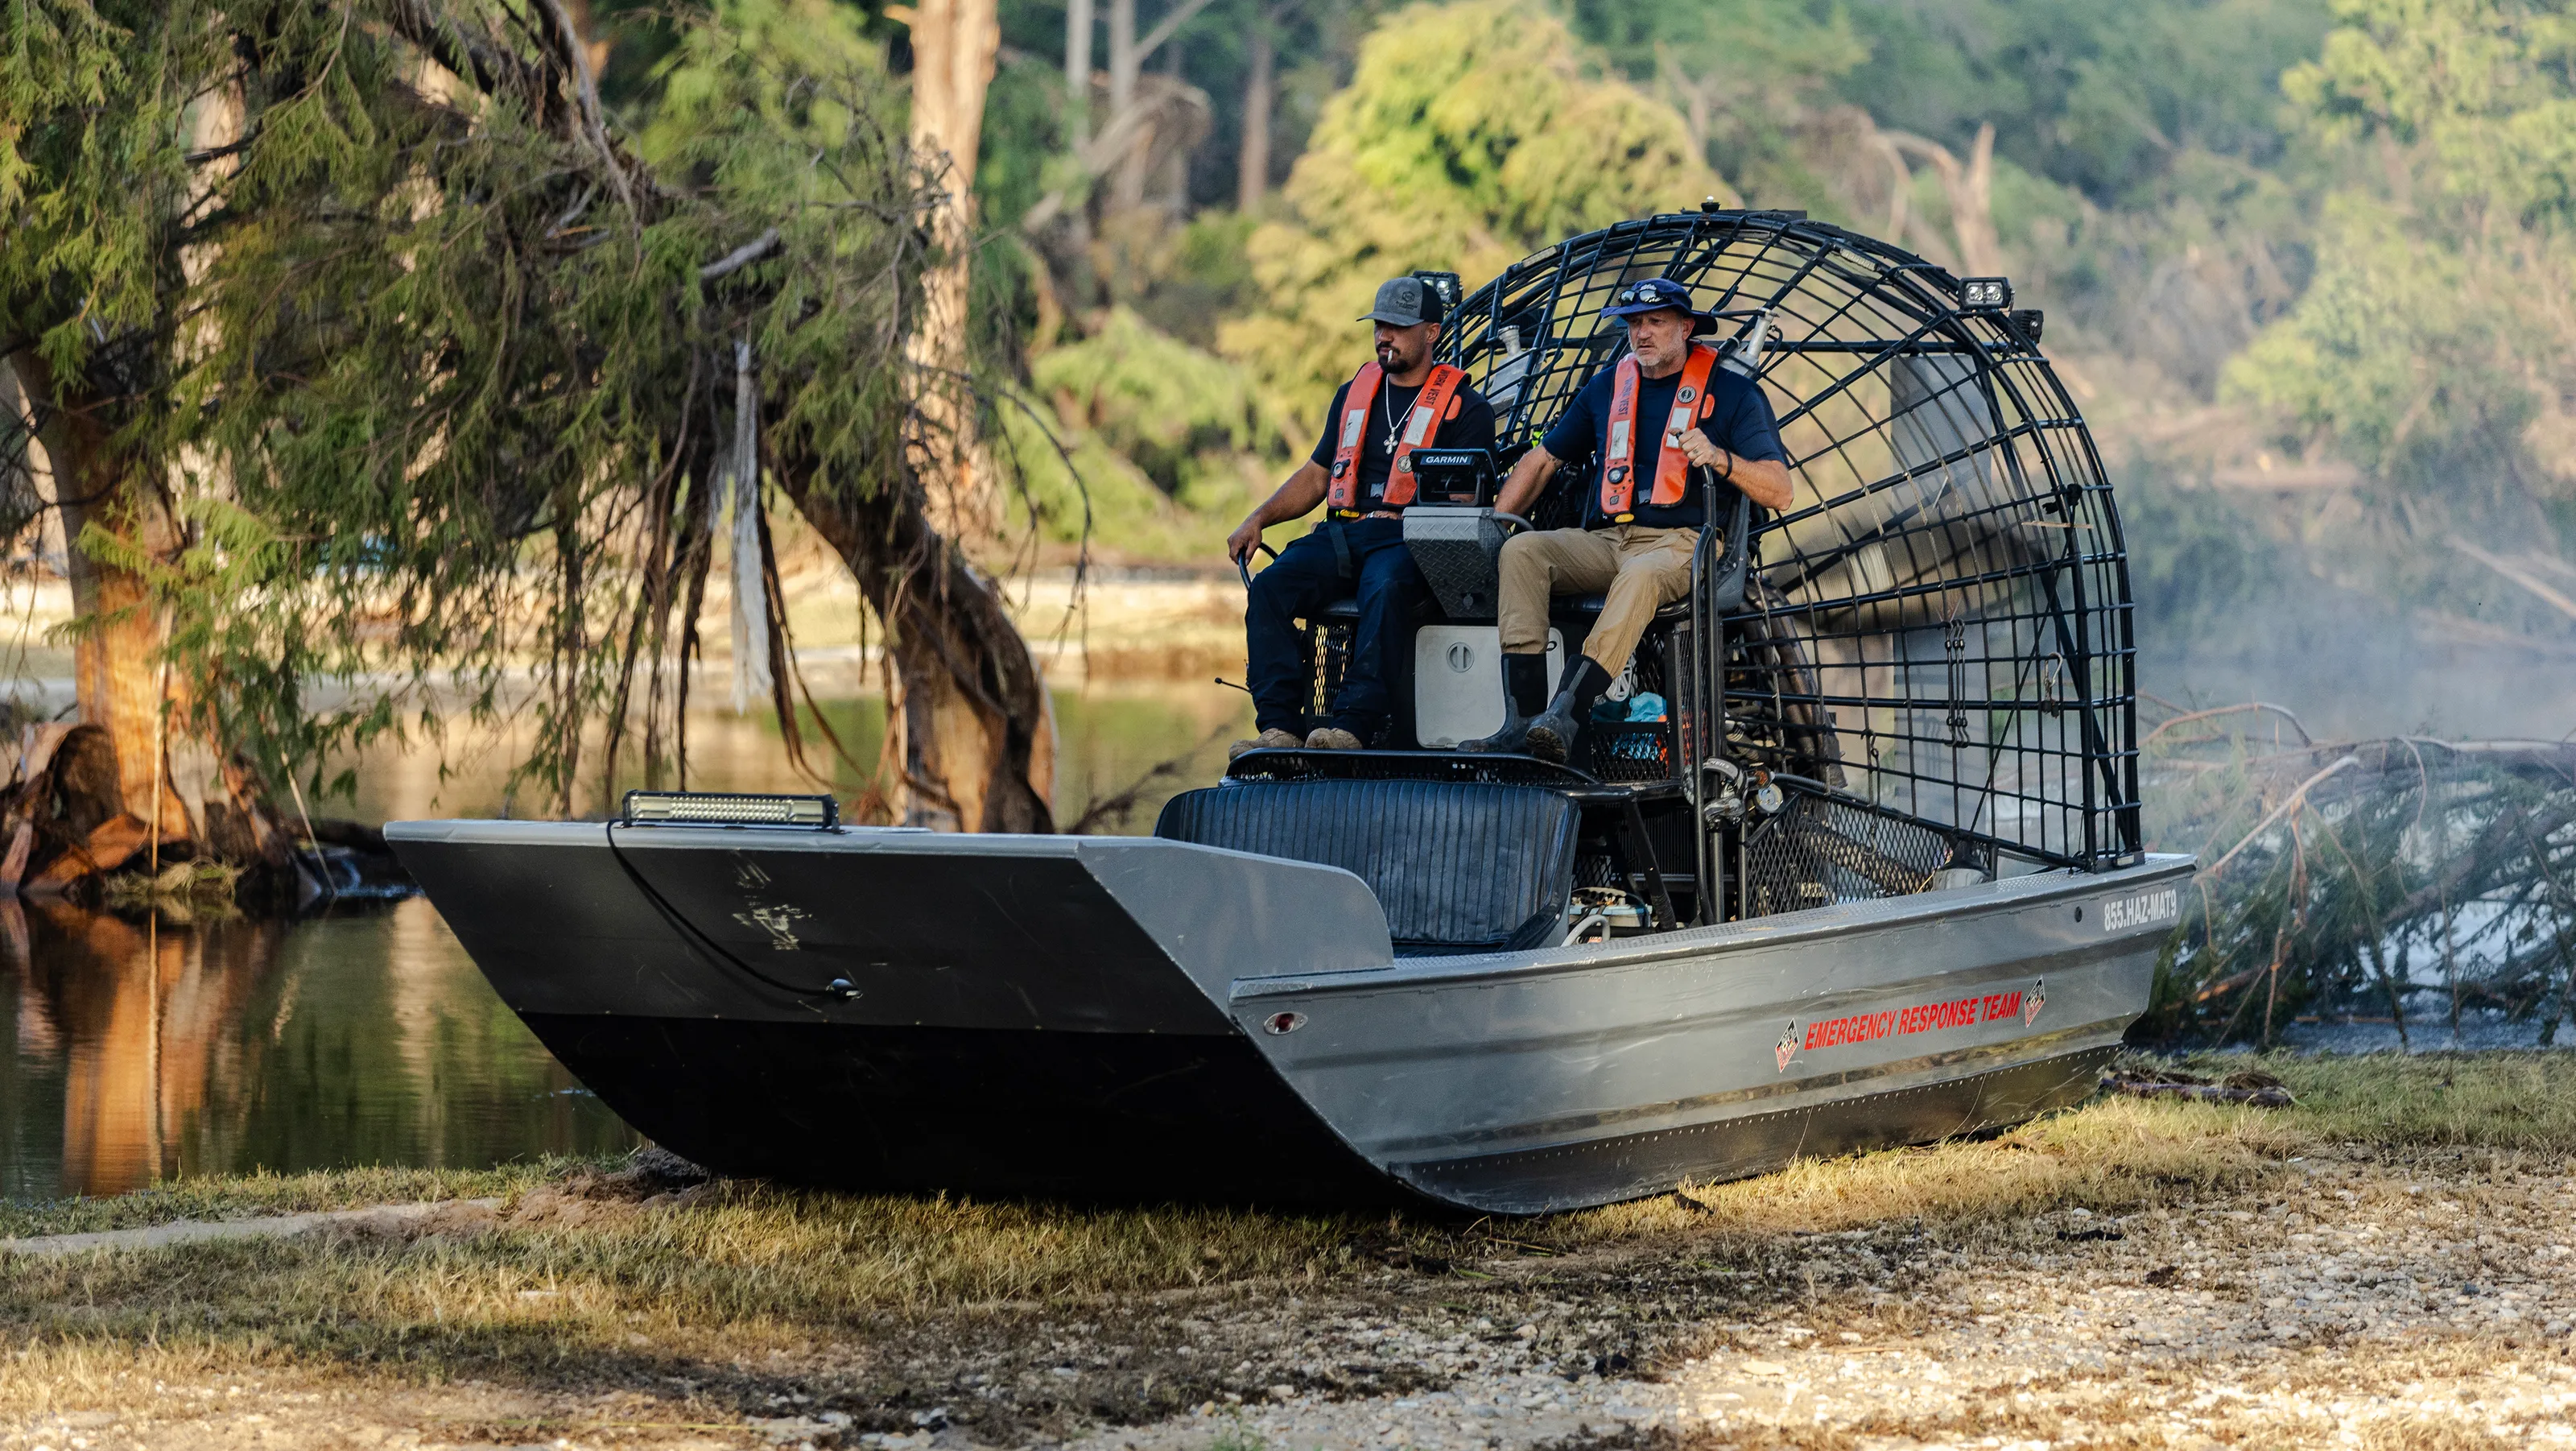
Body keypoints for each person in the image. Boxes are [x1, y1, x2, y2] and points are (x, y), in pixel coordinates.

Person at [1465, 276, 1794, 763]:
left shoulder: (1734, 394)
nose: (1642, 333)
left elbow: (1781, 490)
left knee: (1639, 577)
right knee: (1522, 551)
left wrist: (1720, 458)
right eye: (1634, 323)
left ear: (1686, 328)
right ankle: (1522, 724)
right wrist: (1491, 526)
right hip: (1611, 537)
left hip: (1686, 542)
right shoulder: (1606, 388)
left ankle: (1567, 714)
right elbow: (1541, 462)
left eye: (1656, 322)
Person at [1227, 277, 1498, 755]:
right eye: (1379, 326)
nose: (1384, 336)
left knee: (1385, 586)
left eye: (1397, 327)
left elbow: (1468, 501)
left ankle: (1352, 725)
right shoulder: (1352, 394)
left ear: (1431, 332)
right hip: (1344, 532)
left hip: (1409, 540)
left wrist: (1422, 520)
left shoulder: (1466, 409)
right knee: (1271, 587)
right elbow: (1315, 477)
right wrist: (1260, 518)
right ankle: (1278, 729)